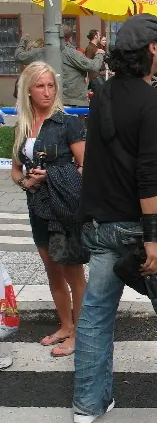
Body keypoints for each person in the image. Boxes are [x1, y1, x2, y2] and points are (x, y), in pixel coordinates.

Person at [73, 14, 157, 423]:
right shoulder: (152, 105)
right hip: (147, 226)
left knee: (95, 313)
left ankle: (88, 404)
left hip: (103, 225)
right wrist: (151, 239)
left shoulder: (104, 94)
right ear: (152, 49)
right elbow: (150, 175)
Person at [11, 62, 87, 357]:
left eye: (50, 86)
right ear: (28, 90)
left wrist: (53, 176)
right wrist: (26, 183)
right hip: (37, 205)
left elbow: (85, 165)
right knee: (52, 270)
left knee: (73, 272)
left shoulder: (67, 122)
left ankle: (80, 333)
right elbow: (16, 171)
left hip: (64, 206)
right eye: (40, 86)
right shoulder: (23, 125)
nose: (47, 92)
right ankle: (66, 326)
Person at [61, 25, 105, 108]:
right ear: (95, 36)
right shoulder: (90, 48)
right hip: (91, 79)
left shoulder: (94, 47)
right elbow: (90, 65)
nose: (102, 38)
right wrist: (100, 54)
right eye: (99, 36)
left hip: (71, 95)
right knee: (102, 97)